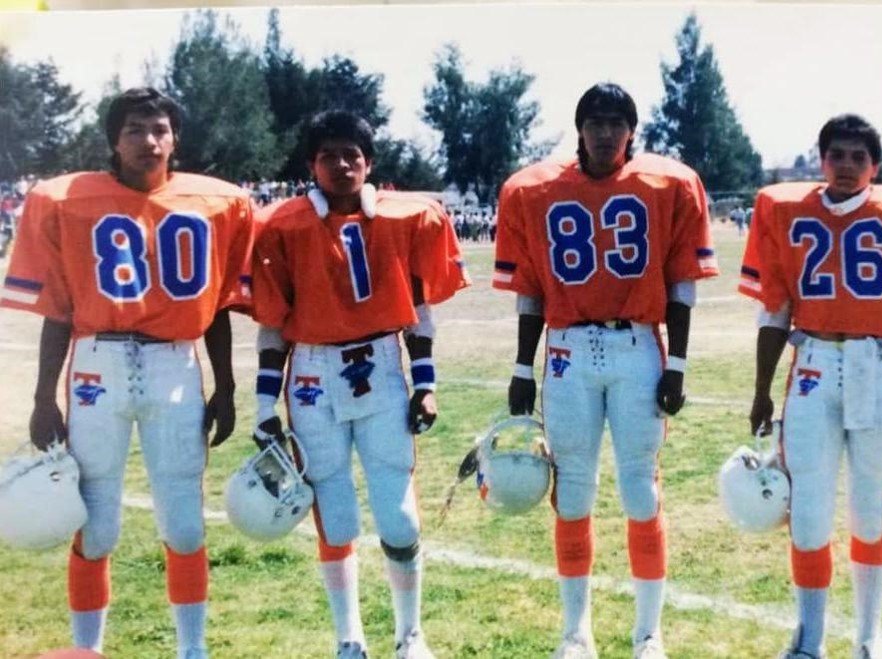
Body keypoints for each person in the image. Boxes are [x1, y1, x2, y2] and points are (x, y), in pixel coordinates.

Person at [0, 87, 255, 659]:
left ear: (175, 139)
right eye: (135, 129)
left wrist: (226, 385)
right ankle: (85, 650)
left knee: (184, 523)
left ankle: (193, 650)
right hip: (99, 364)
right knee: (96, 526)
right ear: (114, 140)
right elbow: (58, 310)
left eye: (159, 129)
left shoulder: (214, 202)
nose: (149, 141)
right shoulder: (67, 200)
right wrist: (43, 397)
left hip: (174, 364)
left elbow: (217, 307)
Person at [493, 82, 718, 659]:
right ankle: (576, 632)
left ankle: (649, 633)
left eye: (617, 122)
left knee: (640, 490)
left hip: (637, 345)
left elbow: (681, 283)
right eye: (595, 121)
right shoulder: (535, 189)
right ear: (579, 129)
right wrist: (522, 366)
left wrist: (678, 364)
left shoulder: (667, 184)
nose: (605, 133)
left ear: (632, 131)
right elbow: (530, 290)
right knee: (573, 491)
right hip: (568, 350)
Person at [738, 114, 882, 659]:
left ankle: (868, 636)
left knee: (868, 508)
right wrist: (762, 388)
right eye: (836, 155)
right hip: (812, 366)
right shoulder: (788, 211)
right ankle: (809, 638)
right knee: (809, 511)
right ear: (821, 161)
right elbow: (775, 311)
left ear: (875, 167)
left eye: (858, 157)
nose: (846, 165)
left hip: (878, 366)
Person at [251, 110, 469, 659]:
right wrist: (262, 404)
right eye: (329, 156)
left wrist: (426, 384)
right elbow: (273, 323)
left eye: (351, 154)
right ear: (311, 165)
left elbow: (417, 311)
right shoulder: (282, 225)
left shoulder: (403, 219)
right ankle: (349, 638)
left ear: (369, 163)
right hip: (311, 376)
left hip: (381, 366)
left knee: (398, 515)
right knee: (336, 516)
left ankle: (410, 634)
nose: (342, 165)